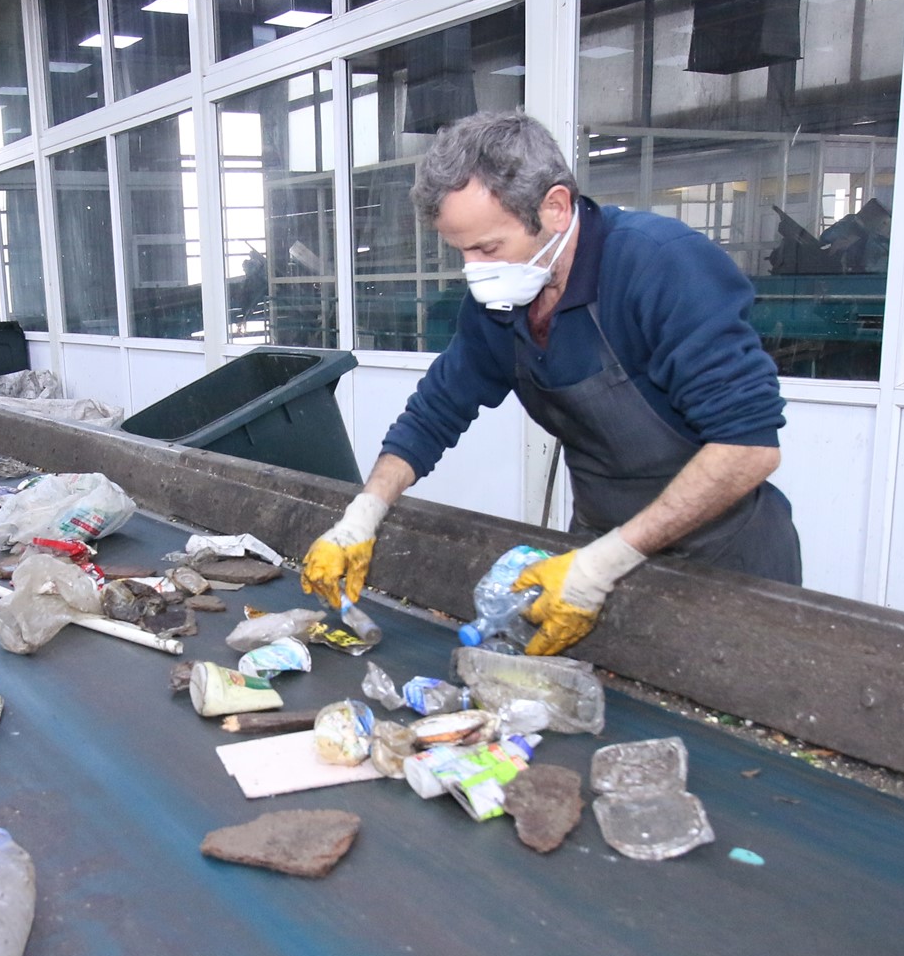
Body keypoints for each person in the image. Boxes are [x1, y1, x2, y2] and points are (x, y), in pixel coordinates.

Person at [300, 111, 800, 657]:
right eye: (460, 251)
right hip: (593, 551)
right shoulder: (502, 300)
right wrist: (363, 515)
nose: (473, 270)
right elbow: (435, 412)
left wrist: (602, 564)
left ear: (555, 207)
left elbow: (748, 448)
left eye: (488, 248)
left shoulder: (660, 265)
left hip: (722, 560)